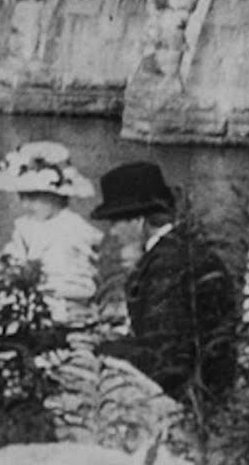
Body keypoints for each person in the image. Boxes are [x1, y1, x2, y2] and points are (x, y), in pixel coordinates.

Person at [91, 161, 238, 407]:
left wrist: (102, 348)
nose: (113, 233)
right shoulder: (185, 248)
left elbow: (164, 357)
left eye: (115, 222)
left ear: (138, 221)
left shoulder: (167, 264)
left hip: (191, 397)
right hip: (211, 383)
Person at [0, 139, 102, 330]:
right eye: (22, 196)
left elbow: (78, 282)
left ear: (57, 195)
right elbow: (13, 259)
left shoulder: (75, 230)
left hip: (67, 310)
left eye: (33, 197)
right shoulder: (25, 226)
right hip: (30, 305)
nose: (26, 204)